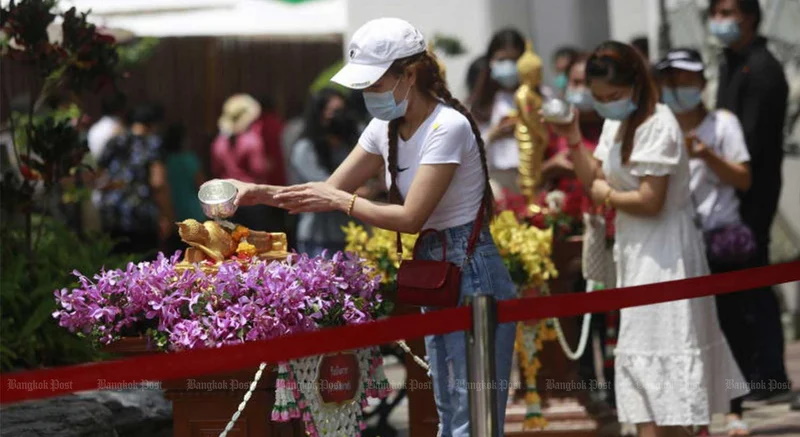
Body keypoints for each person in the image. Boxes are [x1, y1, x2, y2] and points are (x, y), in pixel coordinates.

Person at [215, 18, 517, 437]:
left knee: (473, 417)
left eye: (374, 83)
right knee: (450, 410)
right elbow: (328, 190)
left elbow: (409, 217)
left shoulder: (448, 126)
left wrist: (343, 201)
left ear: (409, 74)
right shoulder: (385, 127)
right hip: (437, 270)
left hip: (472, 273)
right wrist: (257, 193)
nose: (366, 95)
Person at [546, 41, 747, 437]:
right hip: (635, 252)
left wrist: (608, 196)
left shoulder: (661, 123)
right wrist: (571, 137)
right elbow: (593, 179)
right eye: (600, 98)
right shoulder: (615, 123)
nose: (606, 104)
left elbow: (650, 201)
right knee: (639, 361)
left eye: (614, 96)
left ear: (636, 85)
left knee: (668, 357)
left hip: (667, 255)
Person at [657, 48, 755, 436]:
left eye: (685, 81)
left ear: (702, 83)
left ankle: (734, 409)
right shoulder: (657, 126)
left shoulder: (723, 123)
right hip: (677, 245)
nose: (678, 89)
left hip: (722, 241)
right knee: (687, 330)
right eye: (670, 81)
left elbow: (743, 178)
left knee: (732, 325)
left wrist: (706, 155)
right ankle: (693, 415)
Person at [709, 0, 791, 400]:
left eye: (729, 12)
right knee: (738, 288)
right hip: (731, 190)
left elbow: (752, 142)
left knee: (754, 283)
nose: (720, 21)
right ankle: (751, 373)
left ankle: (769, 375)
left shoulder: (762, 68)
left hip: (751, 193)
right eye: (717, 12)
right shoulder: (731, 62)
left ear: (749, 17)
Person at [290, 88, 361, 256]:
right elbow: (325, 189)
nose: (339, 118)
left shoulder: (352, 144)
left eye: (342, 111)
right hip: (319, 236)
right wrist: (367, 191)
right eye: (334, 112)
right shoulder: (305, 149)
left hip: (352, 233)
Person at [97, 103, 173, 256]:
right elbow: (158, 183)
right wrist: (167, 215)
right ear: (152, 125)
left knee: (116, 265)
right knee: (143, 267)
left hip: (112, 212)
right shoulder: (152, 143)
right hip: (141, 216)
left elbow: (99, 175)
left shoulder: (114, 142)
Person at [469, 29, 526, 195]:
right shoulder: (481, 103)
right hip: (495, 181)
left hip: (533, 177)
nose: (509, 66)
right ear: (490, 62)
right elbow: (468, 148)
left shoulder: (538, 97)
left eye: (515, 60)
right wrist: (494, 134)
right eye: (502, 60)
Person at [211, 94, 279, 232]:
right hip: (251, 198)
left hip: (228, 198)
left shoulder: (219, 142)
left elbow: (215, 168)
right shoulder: (252, 140)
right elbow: (258, 169)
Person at [162, 122, 206, 253]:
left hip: (174, 211)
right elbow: (201, 185)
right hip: (192, 213)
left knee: (176, 253)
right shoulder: (190, 159)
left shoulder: (165, 161)